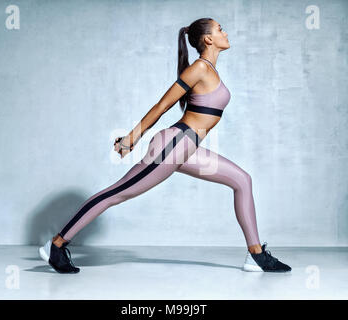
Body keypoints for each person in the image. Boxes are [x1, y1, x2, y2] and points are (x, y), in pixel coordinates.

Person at [39, 18, 291, 274]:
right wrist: (131, 138)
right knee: (118, 193)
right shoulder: (199, 69)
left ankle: (256, 255)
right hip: (173, 145)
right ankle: (56, 244)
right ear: (208, 39)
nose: (225, 33)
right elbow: (162, 105)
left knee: (242, 181)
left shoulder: (210, 70)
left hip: (187, 148)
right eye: (220, 29)